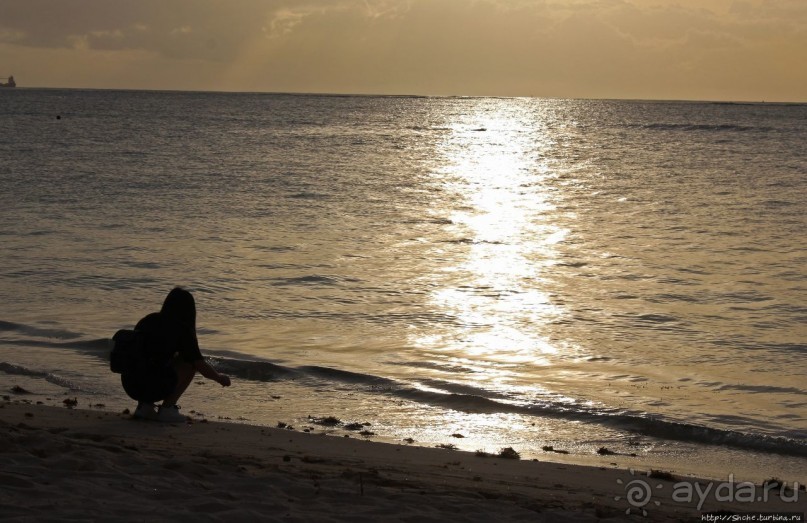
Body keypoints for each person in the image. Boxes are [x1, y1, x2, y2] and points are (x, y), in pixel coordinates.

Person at [121, 287, 231, 422]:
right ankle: (167, 408)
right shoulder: (182, 330)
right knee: (189, 364)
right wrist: (220, 378)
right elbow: (200, 364)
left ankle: (145, 407)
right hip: (151, 386)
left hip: (130, 384)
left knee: (148, 361)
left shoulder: (147, 320)